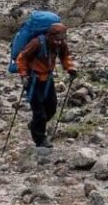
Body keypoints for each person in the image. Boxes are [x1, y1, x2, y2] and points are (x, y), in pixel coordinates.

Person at [13, 20, 75, 157]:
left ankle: (35, 125)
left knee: (51, 108)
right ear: (50, 35)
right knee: (39, 112)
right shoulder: (36, 43)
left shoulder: (60, 44)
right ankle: (40, 140)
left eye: (62, 39)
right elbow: (22, 58)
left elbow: (65, 56)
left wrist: (70, 68)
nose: (59, 42)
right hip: (32, 80)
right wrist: (23, 75)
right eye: (57, 39)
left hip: (48, 79)